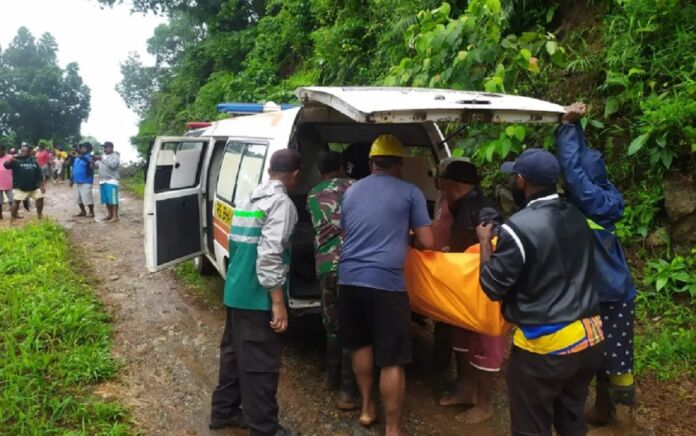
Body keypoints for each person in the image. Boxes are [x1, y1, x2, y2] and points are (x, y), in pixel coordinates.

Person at [477, 148, 604, 436]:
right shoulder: (577, 215)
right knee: (572, 420)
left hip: (547, 347)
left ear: (522, 180)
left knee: (530, 426)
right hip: (591, 337)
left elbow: (492, 286)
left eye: (514, 176)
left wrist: (485, 242)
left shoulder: (518, 228)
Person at [338, 134, 434, 435]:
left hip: (349, 278)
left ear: (370, 162)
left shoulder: (351, 191)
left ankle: (367, 408)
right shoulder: (411, 192)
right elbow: (427, 242)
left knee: (360, 344)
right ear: (400, 163)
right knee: (392, 358)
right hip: (387, 282)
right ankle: (393, 429)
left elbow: (347, 230)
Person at [210, 149, 302, 436]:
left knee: (235, 355)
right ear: (295, 175)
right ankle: (264, 428)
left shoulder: (249, 197)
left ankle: (224, 411)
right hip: (256, 295)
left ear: (269, 170)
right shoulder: (281, 203)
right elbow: (270, 255)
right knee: (260, 364)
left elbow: (237, 244)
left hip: (236, 288)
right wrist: (277, 301)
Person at [556, 103, 637, 426]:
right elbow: (582, 162)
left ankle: (622, 419)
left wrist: (564, 127)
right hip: (612, 288)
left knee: (614, 359)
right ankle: (607, 411)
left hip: (608, 293)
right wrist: (576, 127)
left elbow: (575, 171)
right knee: (608, 354)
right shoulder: (606, 193)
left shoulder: (591, 200)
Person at [437, 161, 506, 424]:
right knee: (461, 338)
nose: (438, 182)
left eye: (442, 178)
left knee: (486, 344)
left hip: (484, 290)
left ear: (453, 184)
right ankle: (466, 389)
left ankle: (485, 404)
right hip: (463, 287)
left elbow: (496, 242)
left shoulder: (483, 208)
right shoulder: (457, 205)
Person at [306, 150, 359, 410]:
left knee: (332, 322)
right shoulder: (356, 186)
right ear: (342, 167)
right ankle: (348, 393)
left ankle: (330, 378)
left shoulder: (313, 193)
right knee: (353, 325)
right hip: (352, 266)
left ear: (319, 171)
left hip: (326, 265)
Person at [3, 144, 45, 220]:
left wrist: (41, 185)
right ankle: (13, 218)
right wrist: (10, 161)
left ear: (30, 152)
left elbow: (39, 173)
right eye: (22, 151)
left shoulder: (34, 161)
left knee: (40, 198)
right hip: (20, 186)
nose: (24, 152)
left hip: (34, 186)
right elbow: (6, 166)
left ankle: (40, 215)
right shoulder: (16, 159)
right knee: (16, 202)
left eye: (26, 151)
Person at [94, 142, 121, 222]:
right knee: (106, 199)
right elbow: (96, 166)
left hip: (112, 180)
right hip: (102, 181)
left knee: (113, 199)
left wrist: (102, 159)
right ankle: (110, 215)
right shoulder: (103, 156)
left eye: (106, 147)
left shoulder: (115, 156)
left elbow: (113, 166)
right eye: (104, 147)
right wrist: (92, 161)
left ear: (111, 148)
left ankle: (115, 216)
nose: (104, 149)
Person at [70, 142, 95, 218]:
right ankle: (83, 211)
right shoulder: (77, 158)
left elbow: (89, 162)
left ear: (89, 149)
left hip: (86, 181)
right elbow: (74, 169)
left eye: (84, 148)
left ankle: (91, 212)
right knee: (78, 198)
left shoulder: (90, 157)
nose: (82, 149)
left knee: (87, 197)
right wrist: (71, 179)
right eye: (81, 148)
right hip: (76, 181)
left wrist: (79, 156)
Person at [0, 145, 14, 219]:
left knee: (12, 200)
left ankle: (14, 215)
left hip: (9, 183)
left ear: (4, 150)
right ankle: (0, 216)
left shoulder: (10, 158)